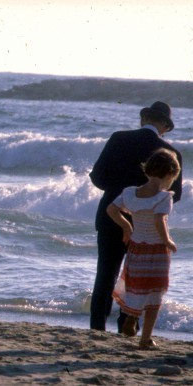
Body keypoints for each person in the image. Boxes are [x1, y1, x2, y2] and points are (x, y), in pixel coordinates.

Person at [89, 101, 182, 332]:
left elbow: (97, 177)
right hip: (146, 226)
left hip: (111, 215)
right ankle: (126, 329)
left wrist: (122, 194)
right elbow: (174, 194)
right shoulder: (171, 152)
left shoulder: (118, 138)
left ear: (144, 119)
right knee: (137, 281)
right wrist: (146, 200)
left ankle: (97, 330)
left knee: (105, 277)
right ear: (164, 125)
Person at [107, 149, 180, 349]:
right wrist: (167, 240)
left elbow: (111, 210)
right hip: (156, 250)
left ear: (147, 172)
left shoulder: (130, 192)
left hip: (136, 248)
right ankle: (146, 338)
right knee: (155, 292)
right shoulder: (164, 197)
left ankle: (132, 315)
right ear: (170, 174)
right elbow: (159, 219)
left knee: (137, 287)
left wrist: (127, 226)